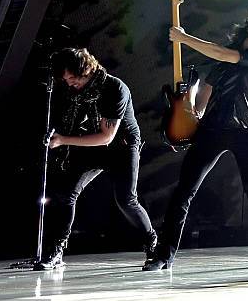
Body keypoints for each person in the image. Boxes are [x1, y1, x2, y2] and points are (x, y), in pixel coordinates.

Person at [143, 4, 248, 270]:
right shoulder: (221, 64)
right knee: (184, 191)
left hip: (245, 130)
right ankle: (163, 256)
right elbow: (204, 98)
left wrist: (184, 38)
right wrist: (189, 114)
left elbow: (224, 54)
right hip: (212, 130)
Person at [34, 48, 157, 270]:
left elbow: (106, 137)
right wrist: (56, 135)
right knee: (66, 194)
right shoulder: (76, 90)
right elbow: (70, 120)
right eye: (66, 79)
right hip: (92, 145)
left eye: (73, 78)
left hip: (122, 146)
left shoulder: (114, 88)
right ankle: (57, 251)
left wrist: (64, 140)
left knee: (126, 200)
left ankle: (152, 242)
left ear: (86, 70)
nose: (70, 83)